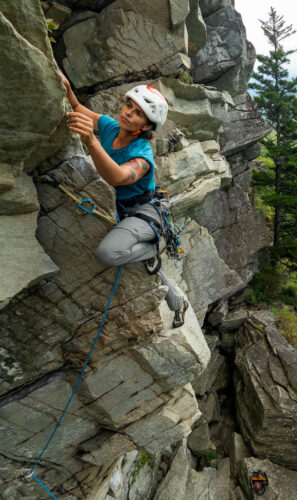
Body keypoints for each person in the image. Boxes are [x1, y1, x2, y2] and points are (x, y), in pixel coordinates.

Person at [59, 70, 189, 328]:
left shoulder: (142, 156)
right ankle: (177, 301)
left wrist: (91, 141)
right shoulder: (109, 126)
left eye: (138, 112)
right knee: (139, 261)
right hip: (119, 207)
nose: (128, 112)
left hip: (142, 213)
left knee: (109, 252)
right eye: (129, 105)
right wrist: (65, 86)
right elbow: (76, 107)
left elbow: (118, 177)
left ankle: (151, 248)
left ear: (147, 127)